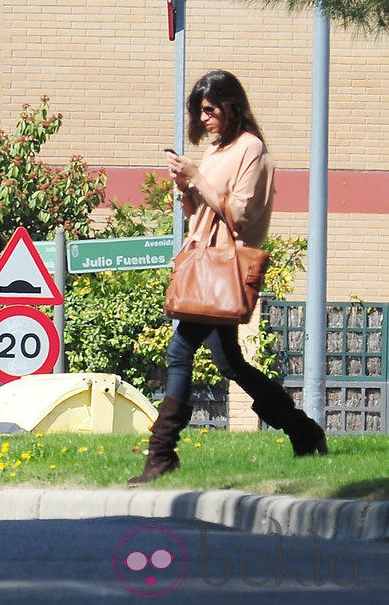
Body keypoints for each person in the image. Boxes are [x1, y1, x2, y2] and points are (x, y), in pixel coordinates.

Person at [129, 70, 327, 485]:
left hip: (223, 269)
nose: (204, 119)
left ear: (231, 105)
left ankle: (161, 454)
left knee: (180, 351)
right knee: (230, 362)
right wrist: (187, 189)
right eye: (199, 112)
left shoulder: (251, 149)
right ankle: (304, 432)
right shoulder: (217, 151)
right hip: (206, 266)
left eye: (210, 109)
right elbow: (200, 216)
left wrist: (198, 179)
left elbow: (239, 215)